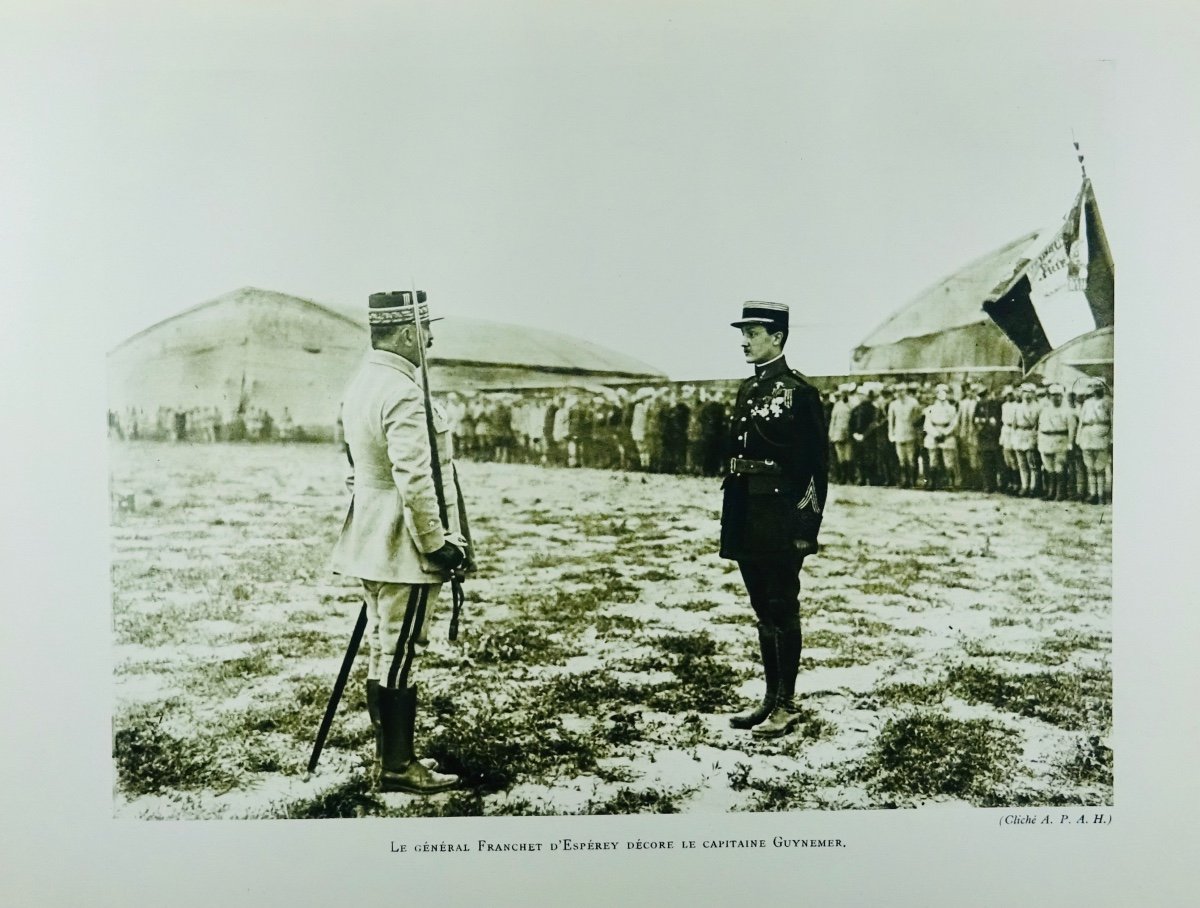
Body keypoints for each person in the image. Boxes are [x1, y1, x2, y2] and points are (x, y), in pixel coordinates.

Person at [329, 290, 468, 795]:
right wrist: (435, 544)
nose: (430, 339)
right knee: (401, 651)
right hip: (403, 546)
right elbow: (416, 478)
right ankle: (397, 766)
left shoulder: (363, 381)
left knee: (383, 648)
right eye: (426, 329)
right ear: (408, 333)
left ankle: (394, 755)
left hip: (371, 536)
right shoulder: (405, 391)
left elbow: (354, 468)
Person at [720, 301, 828, 739]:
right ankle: (769, 697)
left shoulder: (800, 394)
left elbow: (815, 468)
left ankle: (786, 704)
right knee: (762, 608)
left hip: (781, 517)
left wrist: (806, 528)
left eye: (753, 333)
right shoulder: (749, 389)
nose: (744, 341)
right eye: (743, 333)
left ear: (777, 337)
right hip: (746, 511)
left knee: (782, 606)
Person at [1036, 384, 1077, 501]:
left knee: (1060, 467)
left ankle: (1060, 493)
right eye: (1053, 395)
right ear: (1049, 396)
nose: (1056, 398)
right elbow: (1040, 427)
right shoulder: (1044, 411)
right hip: (1046, 440)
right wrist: (1040, 441)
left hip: (1060, 440)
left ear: (1062, 396)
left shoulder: (1067, 411)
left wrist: (1070, 443)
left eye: (1058, 395)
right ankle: (1050, 492)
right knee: (1049, 468)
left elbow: (1071, 429)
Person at [1077, 377, 1113, 505]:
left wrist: (1112, 438)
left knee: (1100, 467)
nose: (1096, 389)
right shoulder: (1087, 403)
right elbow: (1081, 421)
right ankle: (1093, 494)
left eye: (1099, 387)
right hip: (1087, 435)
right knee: (1090, 467)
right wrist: (1078, 438)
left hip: (1102, 434)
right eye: (1093, 387)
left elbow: (1113, 420)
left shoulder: (1109, 402)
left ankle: (1101, 494)